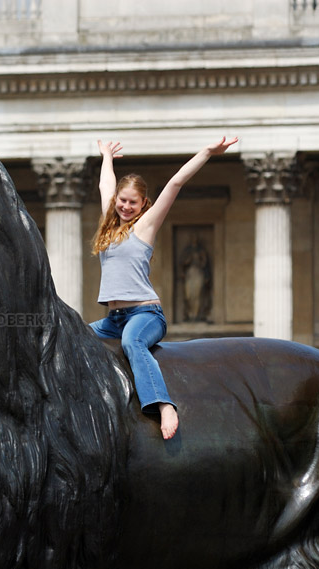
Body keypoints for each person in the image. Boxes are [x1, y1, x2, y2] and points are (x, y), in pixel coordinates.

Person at [91, 137, 238, 439]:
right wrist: (106, 156)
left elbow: (174, 184)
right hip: (112, 320)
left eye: (133, 202)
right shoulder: (109, 225)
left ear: (143, 204)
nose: (126, 206)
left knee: (133, 343)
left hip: (145, 315)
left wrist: (208, 152)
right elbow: (106, 185)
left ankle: (162, 404)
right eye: (123, 200)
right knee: (71, 336)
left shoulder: (145, 226)